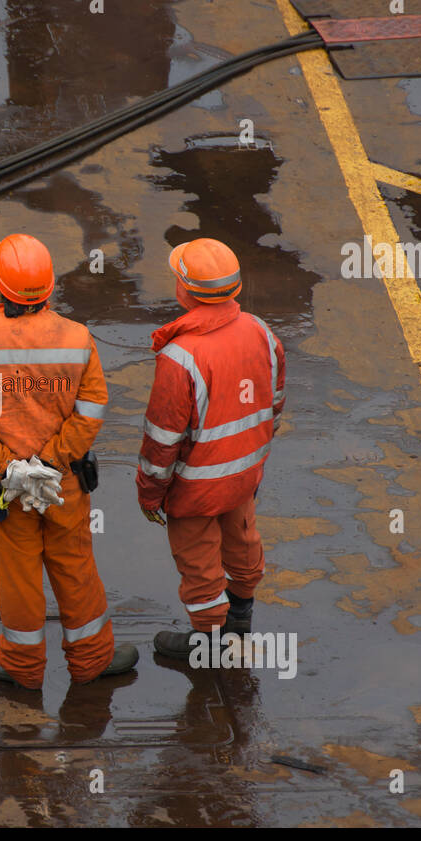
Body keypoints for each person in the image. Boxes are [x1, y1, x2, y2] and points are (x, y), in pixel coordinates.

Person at [0, 233, 138, 689]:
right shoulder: (76, 339)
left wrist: (9, 468)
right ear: (49, 287)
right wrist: (50, 463)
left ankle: (23, 667)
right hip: (63, 483)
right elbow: (91, 408)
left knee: (19, 574)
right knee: (75, 565)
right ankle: (91, 660)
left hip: (5, 489)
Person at [136, 238, 285, 659]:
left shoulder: (180, 357)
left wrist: (149, 493)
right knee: (242, 543)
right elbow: (274, 405)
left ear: (184, 290)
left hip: (196, 489)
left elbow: (162, 441)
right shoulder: (261, 332)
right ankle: (241, 618)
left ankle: (210, 643)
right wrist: (251, 463)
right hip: (244, 477)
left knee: (199, 564)